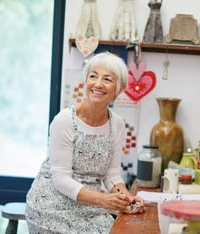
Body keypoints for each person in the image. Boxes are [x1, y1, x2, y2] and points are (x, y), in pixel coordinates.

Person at [25, 52, 145, 234]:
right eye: (93, 76)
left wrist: (127, 197)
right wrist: (104, 200)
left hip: (91, 206)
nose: (98, 84)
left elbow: (111, 173)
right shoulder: (64, 120)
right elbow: (61, 179)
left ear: (119, 89)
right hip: (52, 206)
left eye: (107, 79)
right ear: (85, 82)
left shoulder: (117, 124)